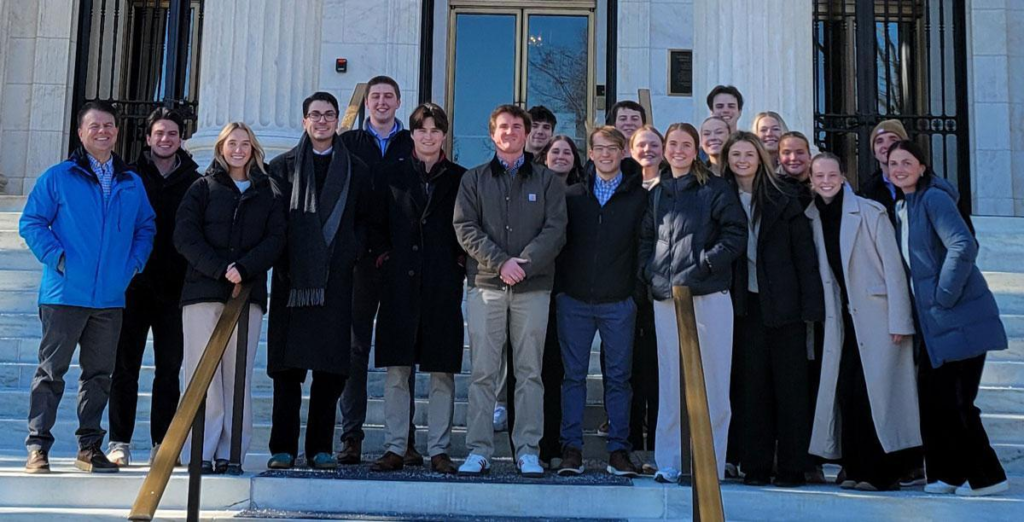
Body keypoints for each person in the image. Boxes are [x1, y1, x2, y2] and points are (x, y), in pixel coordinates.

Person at [21, 101, 156, 474]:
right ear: (80, 132)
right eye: (94, 125)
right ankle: (38, 446)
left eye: (109, 125)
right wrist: (59, 259)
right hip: (64, 294)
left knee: (99, 375)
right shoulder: (58, 176)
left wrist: (133, 265)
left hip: (110, 298)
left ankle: (90, 447)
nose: (103, 131)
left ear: (116, 131)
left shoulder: (131, 181)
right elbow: (32, 222)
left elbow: (146, 227)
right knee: (51, 373)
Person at [888, 140, 1009, 497]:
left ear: (923, 166)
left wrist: (943, 295)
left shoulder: (934, 199)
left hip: (960, 317)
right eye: (893, 163)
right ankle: (947, 475)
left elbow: (963, 244)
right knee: (934, 401)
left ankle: (989, 478)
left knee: (957, 402)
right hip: (935, 325)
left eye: (906, 162)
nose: (899, 169)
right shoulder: (904, 206)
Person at [454, 104, 567, 477]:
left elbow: (555, 230)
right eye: (503, 127)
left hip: (533, 289)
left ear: (526, 133)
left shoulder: (547, 180)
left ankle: (528, 450)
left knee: (529, 372)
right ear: (492, 134)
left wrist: (524, 264)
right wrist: (501, 262)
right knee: (484, 372)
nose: (510, 132)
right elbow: (465, 228)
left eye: (517, 127)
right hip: (486, 286)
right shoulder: (473, 179)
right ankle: (479, 449)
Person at [266, 92, 376, 470]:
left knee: (329, 372)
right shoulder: (282, 167)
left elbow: (366, 219)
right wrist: (289, 261)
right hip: (292, 281)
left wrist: (350, 251)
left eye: (329, 115)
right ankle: (282, 447)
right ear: (304, 121)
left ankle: (319, 449)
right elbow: (274, 222)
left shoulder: (357, 169)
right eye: (315, 114)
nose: (323, 121)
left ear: (337, 121)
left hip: (337, 281)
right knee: (287, 372)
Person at [804, 153, 921, 492]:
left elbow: (894, 269)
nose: (825, 180)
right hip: (840, 320)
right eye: (819, 175)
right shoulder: (810, 216)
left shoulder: (870, 212)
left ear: (843, 176)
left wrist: (900, 320)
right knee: (848, 394)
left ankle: (882, 473)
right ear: (811, 180)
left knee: (876, 396)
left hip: (878, 317)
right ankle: (854, 468)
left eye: (831, 174)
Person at [174, 122, 285, 474]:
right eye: (231, 143)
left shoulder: (268, 190)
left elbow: (276, 239)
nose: (238, 150)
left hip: (246, 295)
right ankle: (200, 451)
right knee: (201, 374)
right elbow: (185, 237)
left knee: (236, 376)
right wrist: (221, 268)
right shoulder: (201, 189)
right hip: (203, 292)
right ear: (221, 148)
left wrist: (245, 268)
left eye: (245, 144)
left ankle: (231, 451)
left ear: (253, 150)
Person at [639, 123, 747, 483]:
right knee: (671, 382)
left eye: (686, 144)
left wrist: (705, 264)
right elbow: (646, 238)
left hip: (708, 296)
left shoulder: (714, 188)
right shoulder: (657, 192)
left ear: (697, 148)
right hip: (667, 299)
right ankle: (669, 462)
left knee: (714, 385)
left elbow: (735, 234)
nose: (679, 150)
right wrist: (650, 274)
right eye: (673, 144)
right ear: (666, 149)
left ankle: (709, 465)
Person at [369, 103, 467, 474]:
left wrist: (458, 264)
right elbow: (376, 225)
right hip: (399, 285)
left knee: (441, 370)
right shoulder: (389, 175)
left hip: (442, 285)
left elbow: (467, 226)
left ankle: (439, 449)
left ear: (444, 136)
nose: (428, 136)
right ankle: (396, 446)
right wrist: (384, 258)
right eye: (422, 130)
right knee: (397, 370)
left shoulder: (460, 178)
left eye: (435, 130)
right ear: (412, 134)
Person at [724, 132, 824, 487]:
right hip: (743, 308)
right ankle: (756, 465)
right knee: (752, 390)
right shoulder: (720, 197)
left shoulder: (783, 196)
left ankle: (792, 466)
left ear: (760, 158)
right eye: (735, 154)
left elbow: (805, 255)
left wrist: (811, 307)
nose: (742, 160)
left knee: (791, 389)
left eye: (748, 154)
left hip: (786, 305)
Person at [107, 108, 199, 467]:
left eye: (172, 134)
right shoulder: (127, 176)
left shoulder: (195, 179)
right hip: (132, 287)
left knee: (168, 368)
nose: (165, 139)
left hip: (175, 289)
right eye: (159, 133)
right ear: (147, 138)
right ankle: (120, 442)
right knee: (124, 367)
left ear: (180, 139)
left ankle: (163, 442)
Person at [555, 126, 646, 477]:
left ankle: (618, 451)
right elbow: (559, 243)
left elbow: (644, 246)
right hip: (574, 300)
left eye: (613, 148)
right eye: (599, 148)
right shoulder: (573, 196)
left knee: (619, 379)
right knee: (573, 377)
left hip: (618, 302)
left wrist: (634, 293)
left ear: (624, 152)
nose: (605, 154)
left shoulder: (638, 198)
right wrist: (563, 288)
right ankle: (571, 449)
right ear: (590, 153)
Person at [338, 75, 418, 466]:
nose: (382, 103)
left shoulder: (413, 144)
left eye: (389, 97)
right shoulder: (349, 142)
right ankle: (351, 435)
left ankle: (407, 439)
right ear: (367, 103)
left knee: (403, 349)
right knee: (354, 348)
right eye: (375, 97)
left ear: (399, 103)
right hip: (359, 260)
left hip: (402, 262)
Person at [777, 131, 814, 208]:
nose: (793, 158)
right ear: (779, 158)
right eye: (787, 153)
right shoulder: (772, 189)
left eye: (800, 152)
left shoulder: (823, 183)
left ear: (809, 157)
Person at [630, 125, 664, 190]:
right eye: (641, 145)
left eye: (654, 145)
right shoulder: (621, 185)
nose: (647, 149)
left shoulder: (674, 185)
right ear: (632, 152)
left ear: (663, 150)